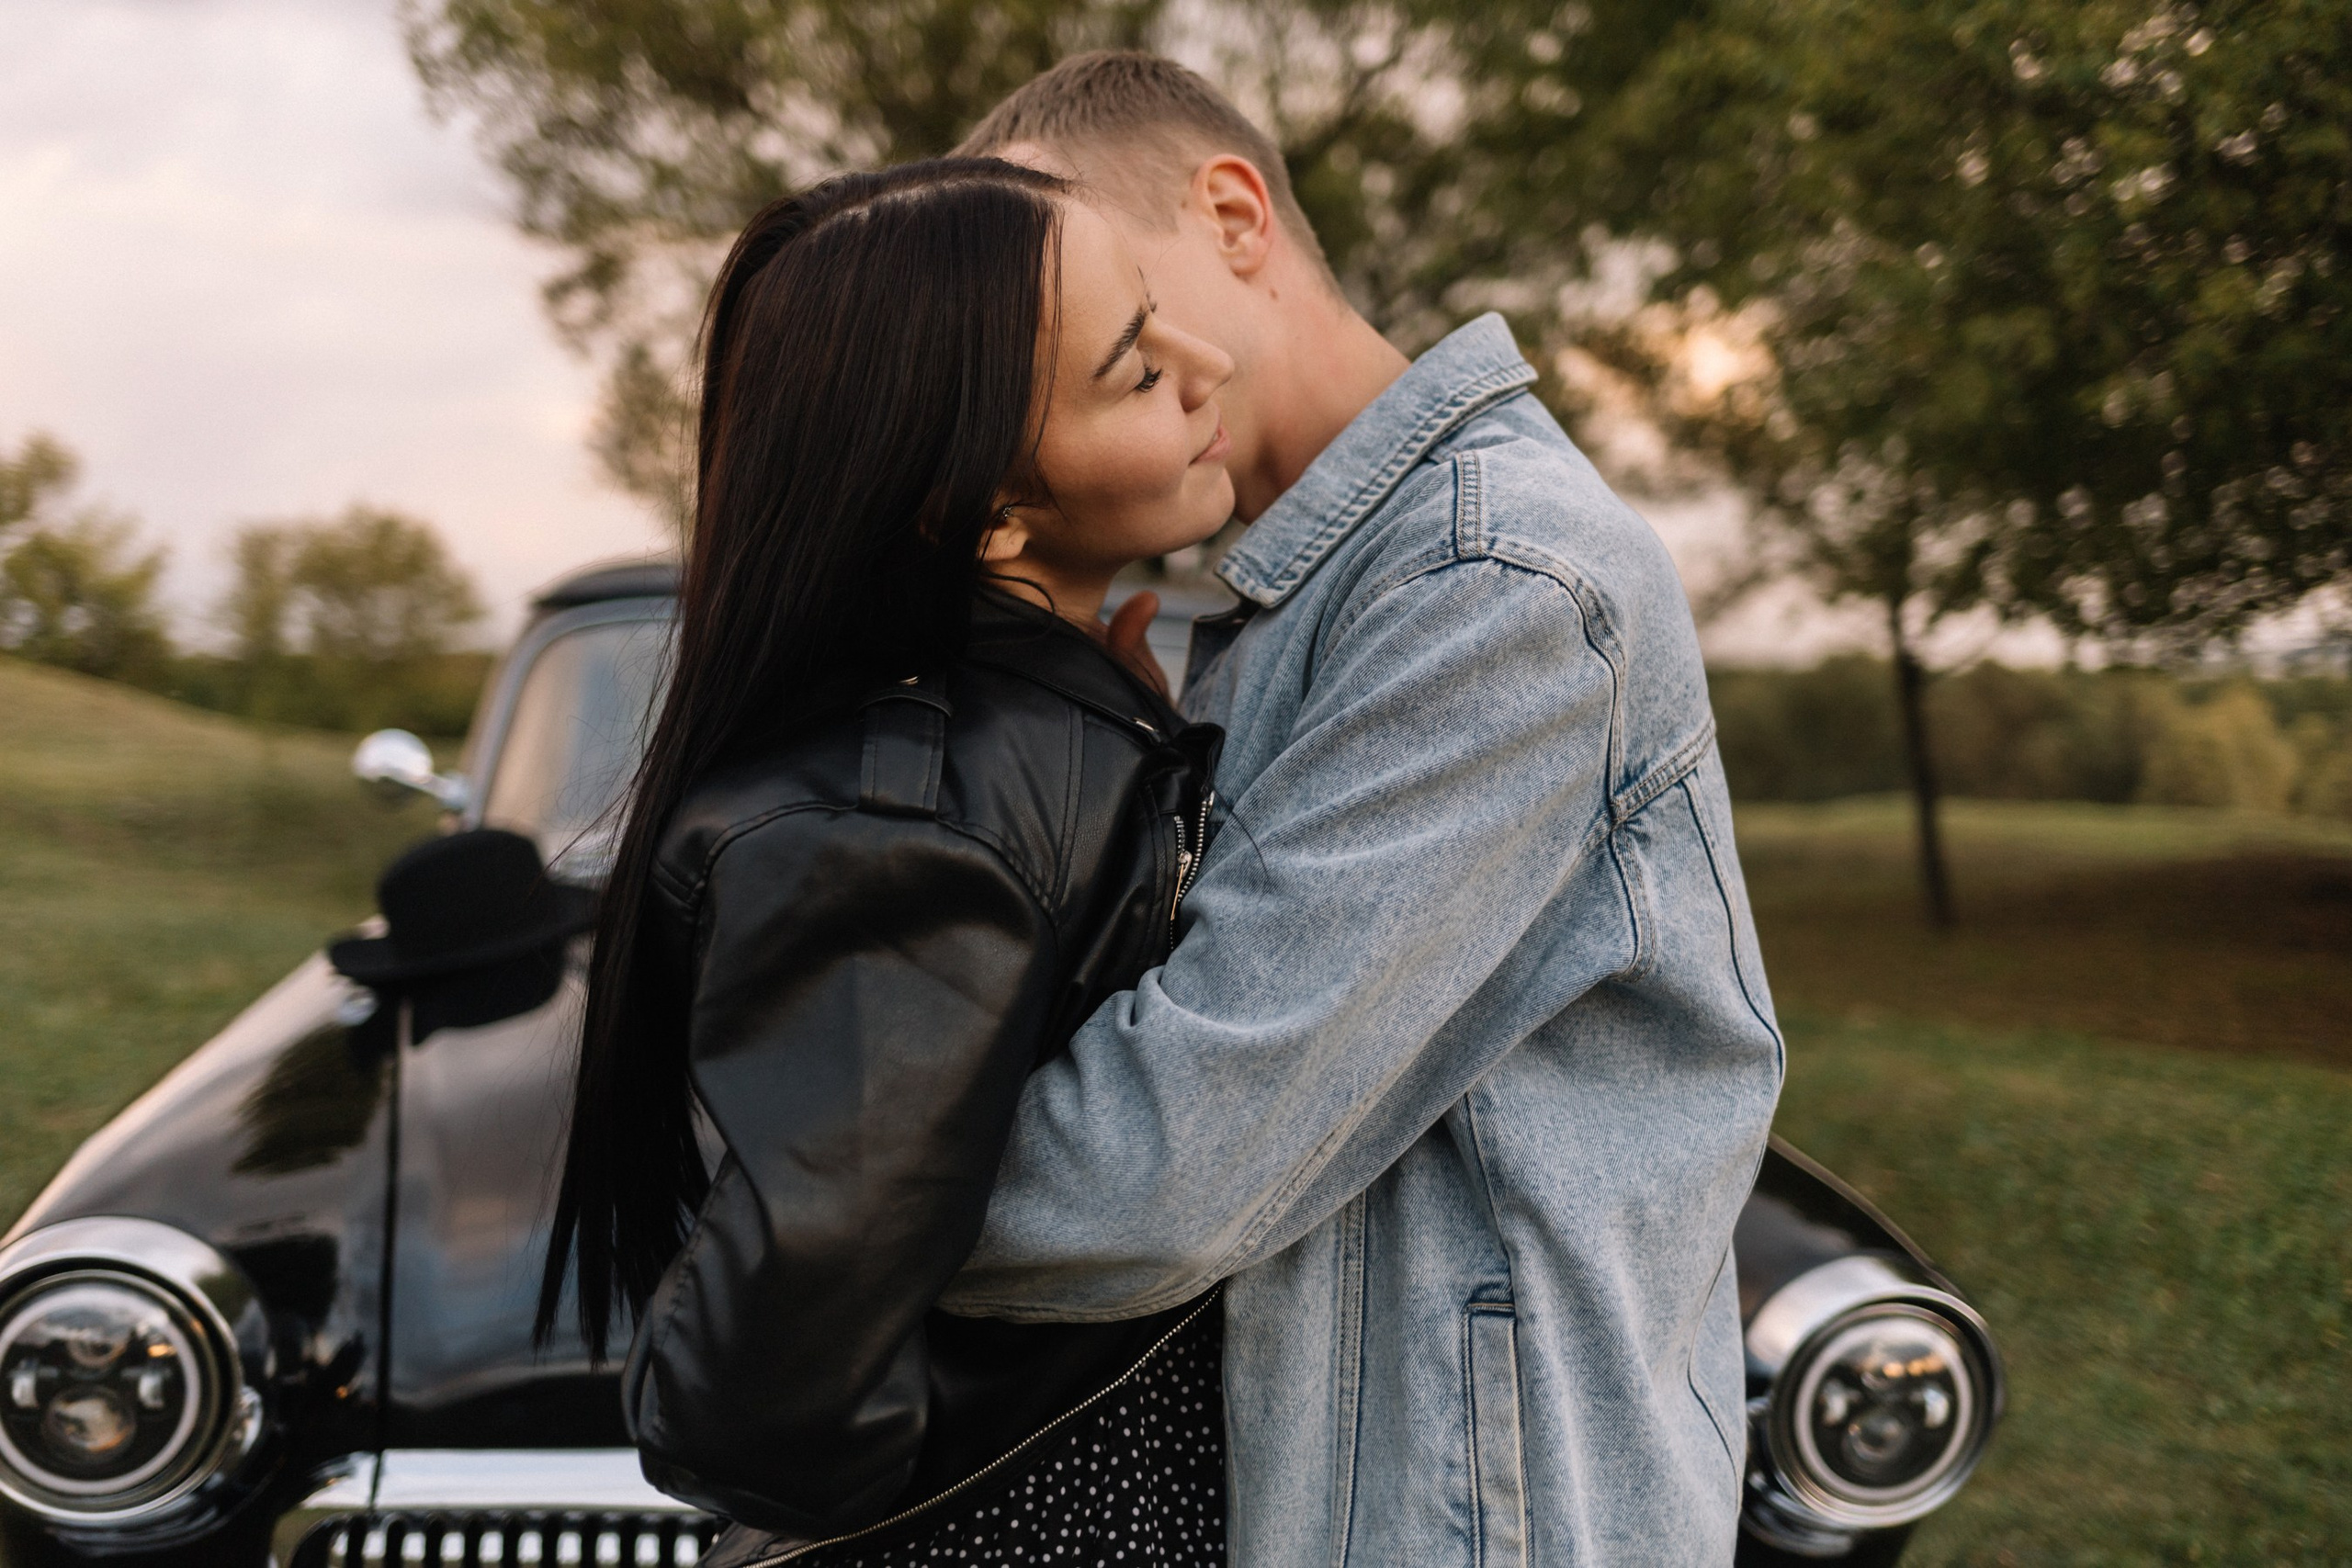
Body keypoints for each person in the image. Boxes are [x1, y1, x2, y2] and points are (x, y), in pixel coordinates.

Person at [929, 53, 1789, 1566]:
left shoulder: (1497, 582)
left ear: (1233, 214)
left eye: (1116, 311)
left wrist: (804, 1209)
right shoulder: (1292, 610)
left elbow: (1163, 1171)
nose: (1093, 371)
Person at [538, 158, 1245, 1566]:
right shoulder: (899, 832)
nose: (1207, 363)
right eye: (1134, 366)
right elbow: (773, 1386)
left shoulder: (1033, 732)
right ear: (987, 515)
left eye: (1165, 315)